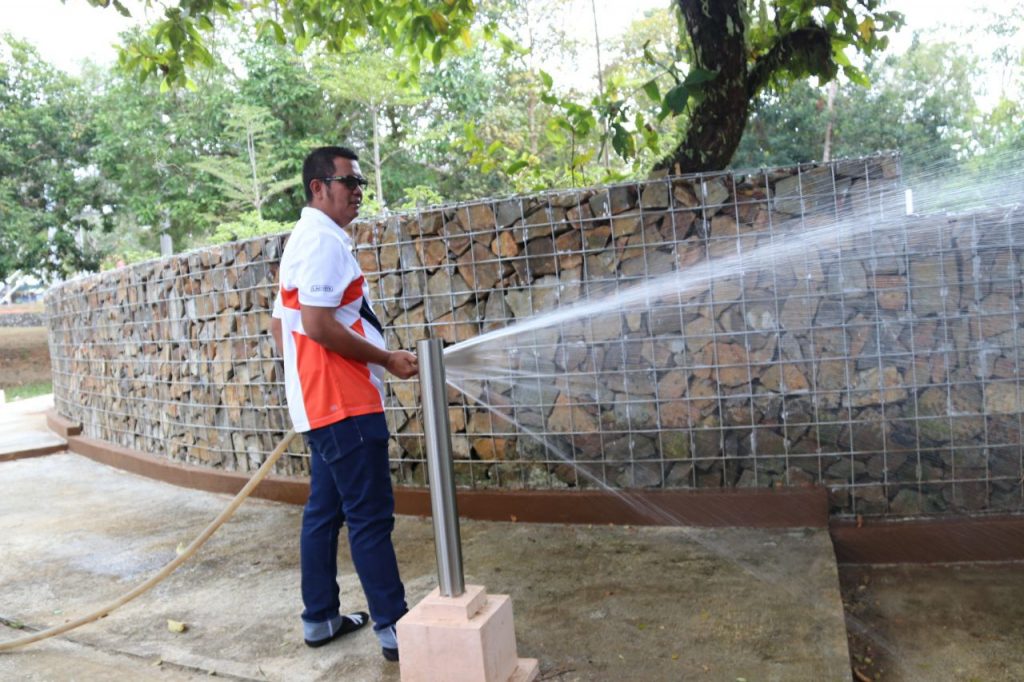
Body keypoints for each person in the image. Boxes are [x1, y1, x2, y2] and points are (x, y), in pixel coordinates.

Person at [271, 145, 418, 661]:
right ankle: (396, 629)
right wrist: (386, 358)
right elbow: (316, 323)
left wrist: (302, 387)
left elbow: (280, 325)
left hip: (320, 403)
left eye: (360, 184)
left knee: (326, 511)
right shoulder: (323, 243)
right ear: (319, 187)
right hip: (345, 404)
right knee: (371, 517)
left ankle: (321, 619)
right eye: (349, 183)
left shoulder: (304, 240)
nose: (358, 193)